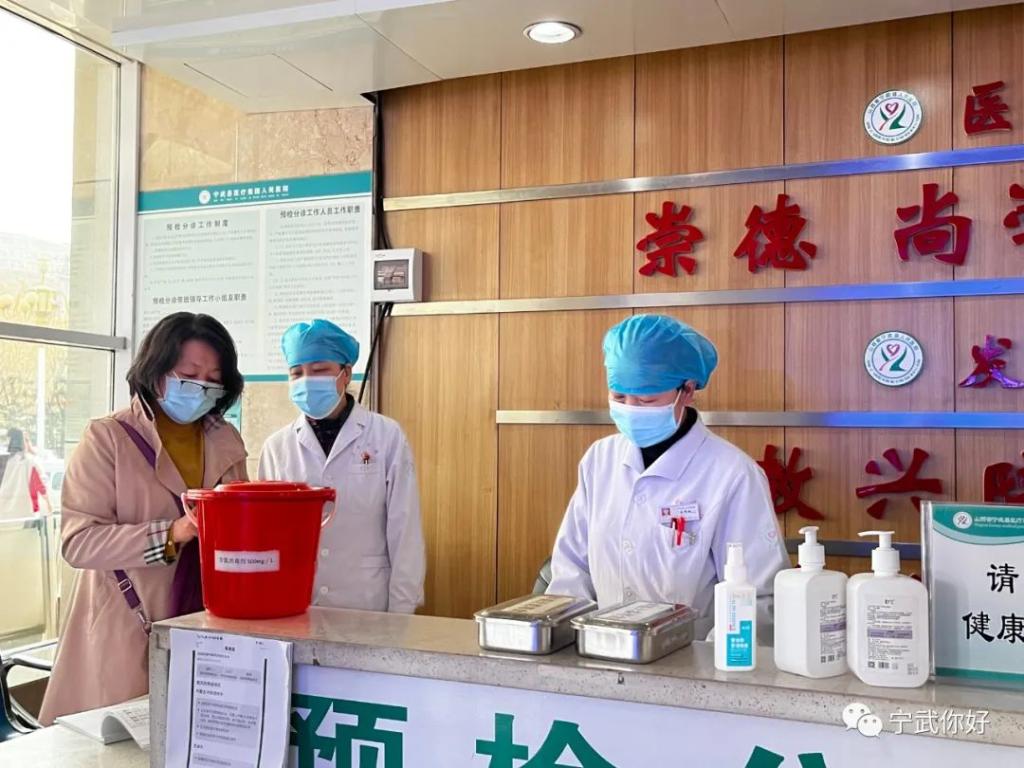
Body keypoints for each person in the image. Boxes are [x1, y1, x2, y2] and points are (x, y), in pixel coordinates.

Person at [39, 313, 248, 724]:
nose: (201, 388)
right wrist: (172, 533)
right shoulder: (108, 437)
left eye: (213, 380)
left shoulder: (226, 439)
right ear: (156, 371)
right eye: (189, 375)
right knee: (126, 740)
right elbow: (78, 542)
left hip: (209, 623)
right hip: (128, 623)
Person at [547, 314, 789, 641]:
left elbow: (758, 598)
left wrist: (707, 661)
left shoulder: (733, 474)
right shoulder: (599, 459)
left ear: (686, 391)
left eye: (647, 399)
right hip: (603, 654)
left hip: (693, 661)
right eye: (619, 397)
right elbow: (571, 570)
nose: (631, 408)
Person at [259, 319, 425, 613]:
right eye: (296, 373)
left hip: (367, 602)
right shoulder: (277, 447)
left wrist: (402, 612)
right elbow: (267, 536)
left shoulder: (385, 436)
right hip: (297, 602)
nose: (306, 381)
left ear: (345, 373)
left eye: (319, 370)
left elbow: (405, 529)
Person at [0, 428, 51, 519]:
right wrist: (49, 504)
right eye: (26, 440)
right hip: (25, 514)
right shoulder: (30, 462)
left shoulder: (5, 461)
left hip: (4, 514)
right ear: (22, 442)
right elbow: (41, 486)